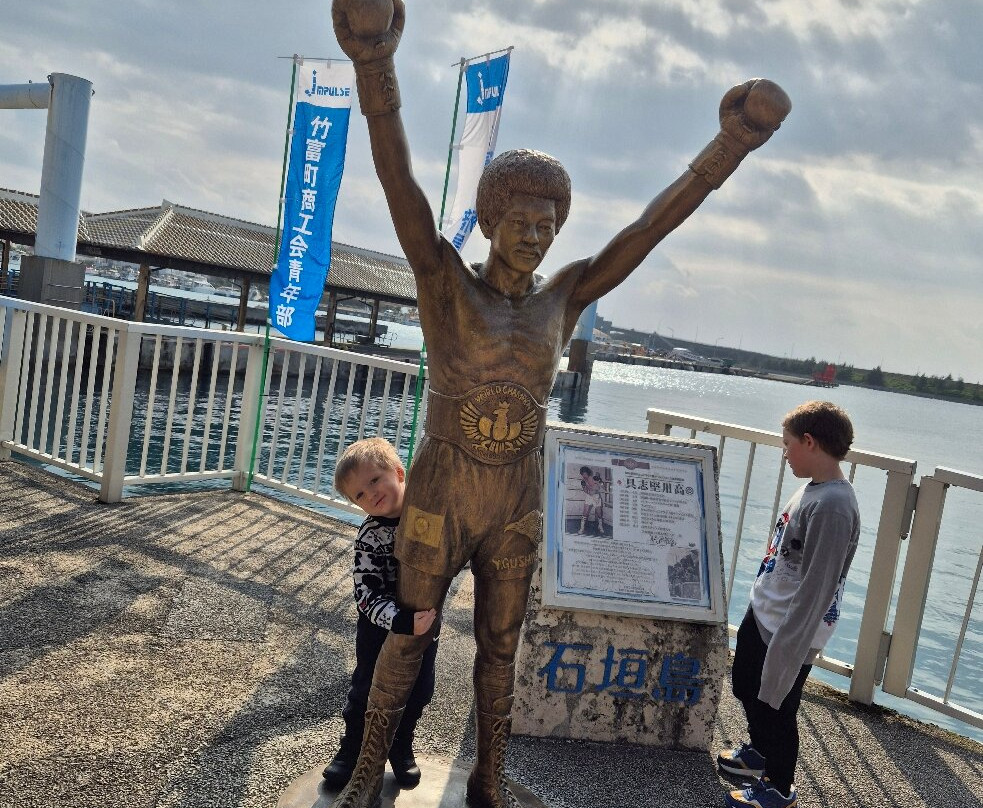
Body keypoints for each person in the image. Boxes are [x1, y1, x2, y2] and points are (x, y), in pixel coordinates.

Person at [329, 3, 790, 806]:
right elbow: (397, 181)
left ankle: (489, 777)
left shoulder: (566, 296)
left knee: (501, 644)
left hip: (514, 496)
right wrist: (375, 61)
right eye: (520, 222)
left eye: (548, 225)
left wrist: (729, 147)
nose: (537, 236)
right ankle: (368, 768)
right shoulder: (444, 280)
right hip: (439, 488)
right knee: (406, 637)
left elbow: (646, 232)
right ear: (488, 221)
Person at [718, 401, 860, 808]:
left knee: (776, 705)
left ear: (810, 441)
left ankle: (778, 786)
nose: (784, 452)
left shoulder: (833, 506)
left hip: (788, 627)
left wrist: (789, 645)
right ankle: (759, 755)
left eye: (788, 444)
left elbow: (817, 588)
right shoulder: (814, 488)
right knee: (747, 685)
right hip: (767, 610)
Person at [324, 437, 438, 791]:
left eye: (375, 480)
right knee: (365, 689)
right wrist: (400, 621)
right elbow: (366, 595)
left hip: (425, 623)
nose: (370, 493)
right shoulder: (370, 536)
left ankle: (401, 745)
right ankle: (352, 748)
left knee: (419, 690)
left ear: (399, 472)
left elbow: (449, 560)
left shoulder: (429, 515)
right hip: (380, 626)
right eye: (359, 494)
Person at [577, 466, 605, 535]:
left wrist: (600, 481)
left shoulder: (594, 478)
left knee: (599, 513)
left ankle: (600, 526)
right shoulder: (583, 481)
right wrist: (588, 491)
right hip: (589, 497)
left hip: (596, 497)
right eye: (583, 474)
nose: (584, 476)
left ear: (588, 473)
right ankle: (582, 528)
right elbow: (585, 490)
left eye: (585, 474)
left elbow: (603, 487)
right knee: (585, 512)